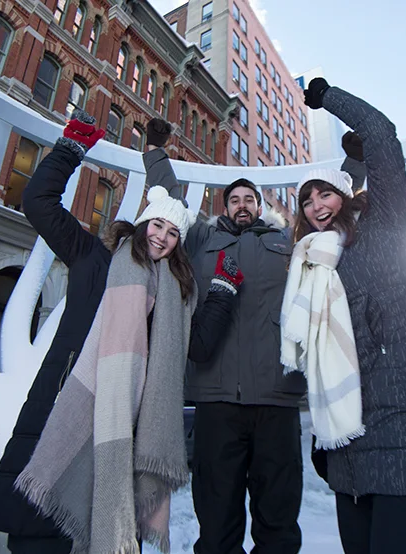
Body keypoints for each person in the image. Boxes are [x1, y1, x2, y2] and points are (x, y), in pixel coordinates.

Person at [0, 110, 244, 554]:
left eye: (173, 233)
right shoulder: (94, 259)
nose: (162, 238)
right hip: (61, 409)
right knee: (37, 538)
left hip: (130, 433)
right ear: (143, 223)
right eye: (157, 225)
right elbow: (39, 203)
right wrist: (70, 149)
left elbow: (198, 346)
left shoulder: (176, 296)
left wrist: (220, 292)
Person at [288, 78, 406, 554]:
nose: (316, 207)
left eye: (324, 194)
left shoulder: (385, 225)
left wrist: (328, 98)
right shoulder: (313, 269)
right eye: (306, 202)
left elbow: (382, 133)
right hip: (354, 456)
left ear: (346, 196)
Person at [143, 118, 306, 554]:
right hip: (216, 399)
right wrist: (156, 152)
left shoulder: (287, 243)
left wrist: (354, 169)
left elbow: (332, 221)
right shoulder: (200, 239)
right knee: (216, 517)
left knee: (279, 517)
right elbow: (170, 202)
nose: (241, 204)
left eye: (248, 199)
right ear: (224, 206)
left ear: (259, 205)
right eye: (233, 199)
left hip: (276, 397)